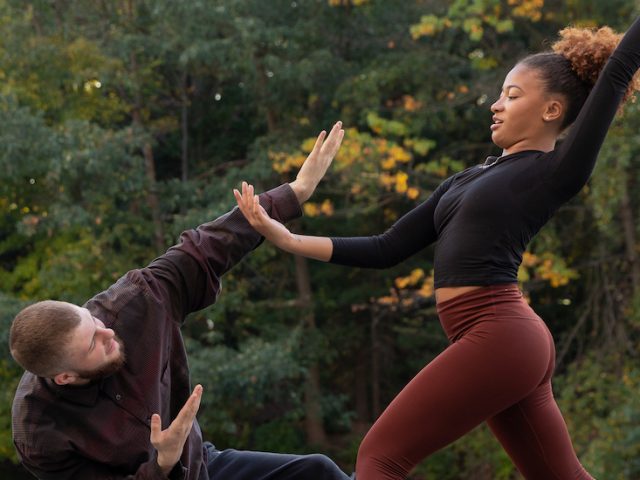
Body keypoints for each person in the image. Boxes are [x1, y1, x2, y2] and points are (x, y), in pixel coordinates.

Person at [233, 16, 640, 480]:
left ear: (551, 111)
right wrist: (285, 237)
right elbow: (386, 247)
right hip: (504, 339)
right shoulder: (467, 179)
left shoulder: (556, 171)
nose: (496, 105)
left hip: (500, 331)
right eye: (499, 93)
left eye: (512, 95)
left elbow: (621, 64)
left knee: (379, 457)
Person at [9, 122, 350, 480]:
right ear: (64, 377)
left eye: (92, 321)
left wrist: (294, 193)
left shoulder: (131, 305)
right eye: (93, 342)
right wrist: (162, 464)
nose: (107, 333)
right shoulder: (38, 432)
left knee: (317, 471)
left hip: (201, 466)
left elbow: (204, 247)